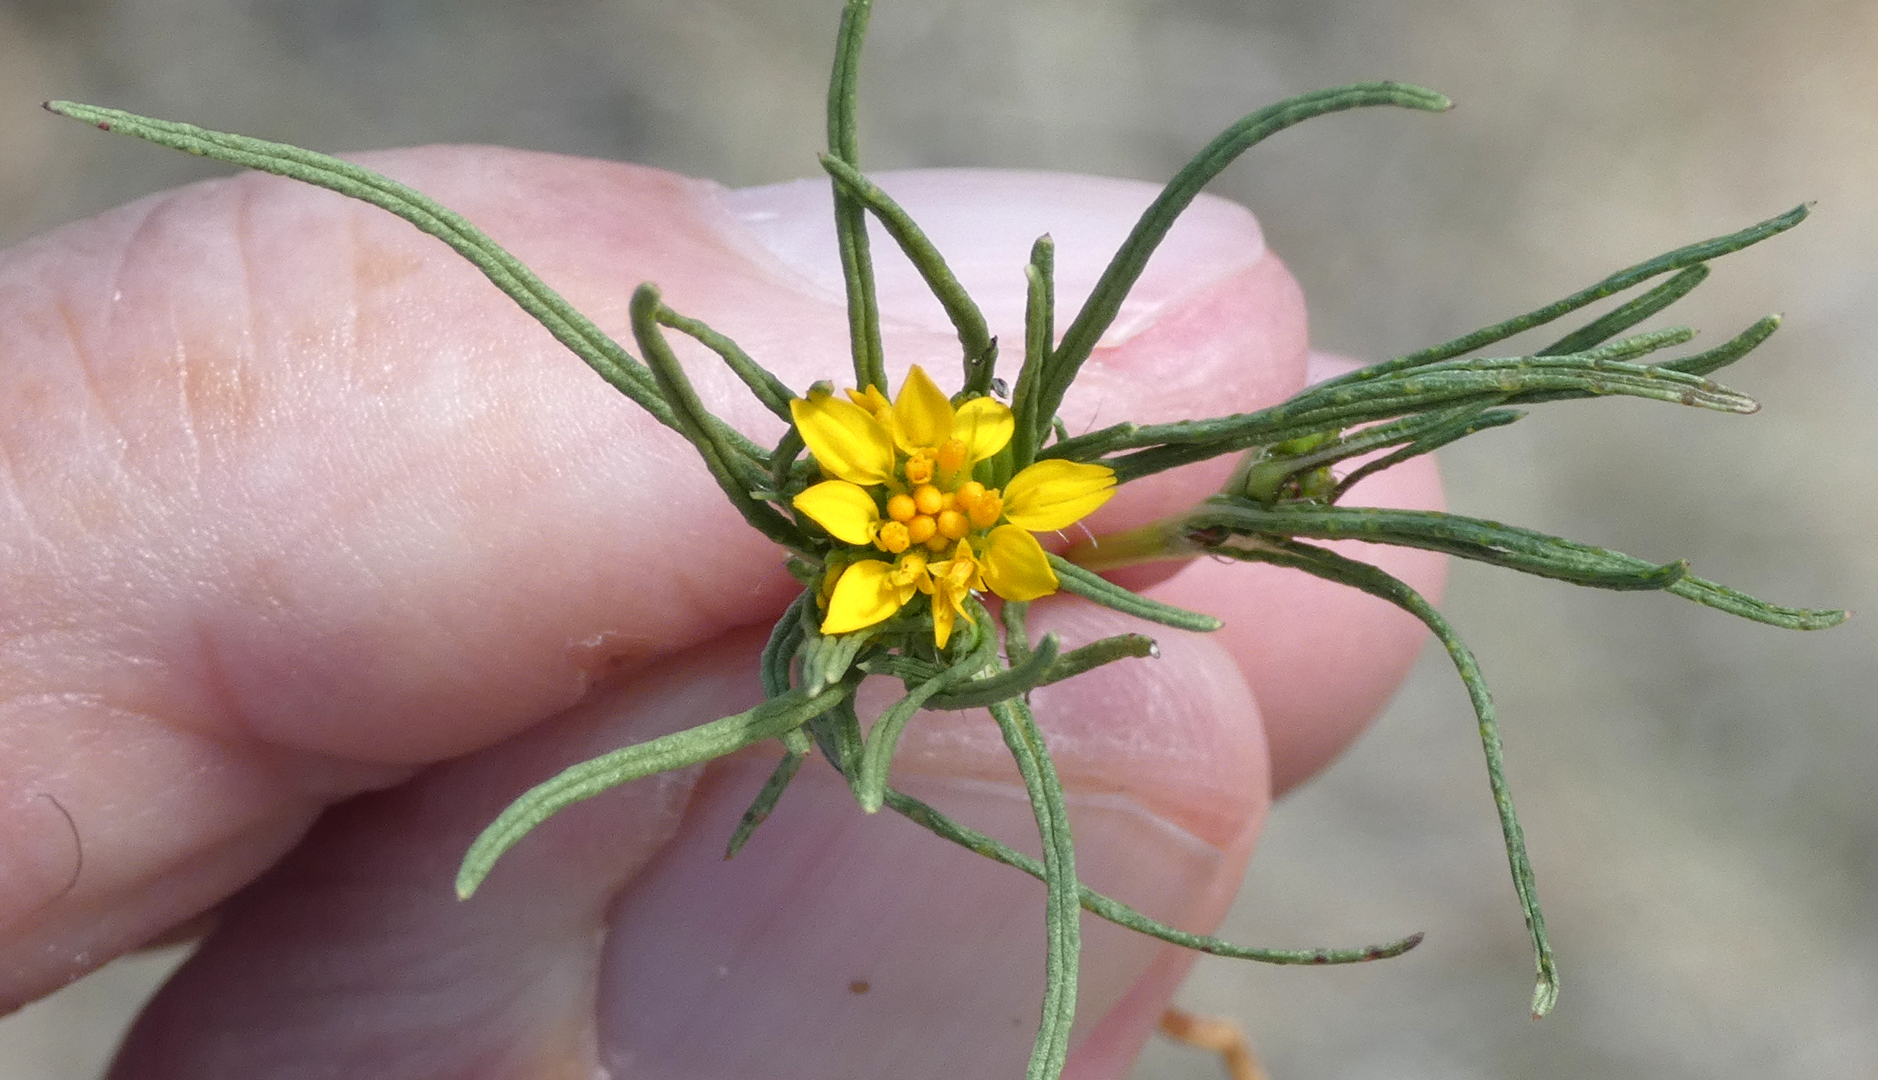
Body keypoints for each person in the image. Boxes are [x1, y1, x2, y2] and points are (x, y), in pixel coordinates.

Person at [0, 144, 1444, 1078]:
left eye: (955, 505)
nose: (946, 505)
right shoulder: (896, 527)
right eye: (936, 502)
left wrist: (956, 545)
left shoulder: (990, 539)